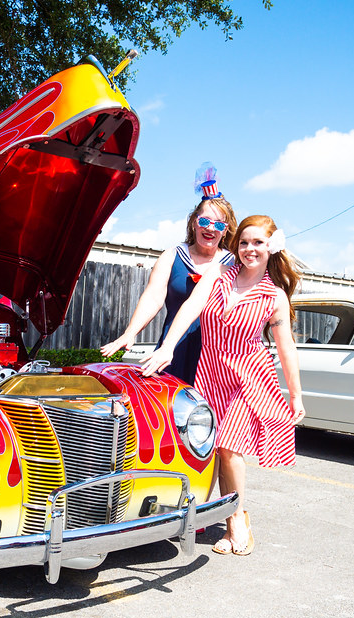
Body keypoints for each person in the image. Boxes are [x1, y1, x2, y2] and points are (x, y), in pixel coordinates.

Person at [141, 215, 304, 556]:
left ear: (271, 248)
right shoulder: (218, 275)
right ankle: (207, 511)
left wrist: (296, 394)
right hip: (211, 375)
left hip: (248, 380)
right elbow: (189, 309)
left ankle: (238, 521)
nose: (249, 249)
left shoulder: (274, 297)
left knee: (229, 448)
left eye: (258, 243)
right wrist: (168, 347)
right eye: (244, 242)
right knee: (212, 448)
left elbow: (287, 350)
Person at [101, 167, 237, 384]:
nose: (210, 228)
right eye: (204, 221)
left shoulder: (233, 265)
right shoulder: (173, 256)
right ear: (194, 221)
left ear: (226, 229)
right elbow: (153, 298)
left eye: (218, 224)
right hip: (172, 350)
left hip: (217, 355)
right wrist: (130, 333)